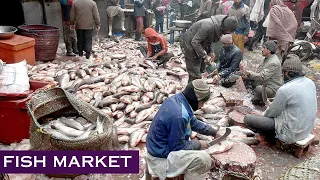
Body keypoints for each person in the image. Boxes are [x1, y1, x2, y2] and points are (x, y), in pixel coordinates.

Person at [146, 79, 217, 180]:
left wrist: (213, 132)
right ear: (194, 99)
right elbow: (176, 146)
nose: (203, 106)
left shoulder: (179, 100)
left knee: (191, 143)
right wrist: (199, 144)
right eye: (202, 102)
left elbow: (194, 123)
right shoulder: (179, 115)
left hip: (159, 148)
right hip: (160, 159)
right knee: (204, 159)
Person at [244, 54, 317, 144]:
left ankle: (270, 136)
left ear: (287, 73)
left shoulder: (286, 89)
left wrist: (262, 116)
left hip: (290, 133)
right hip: (306, 130)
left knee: (248, 119)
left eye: (283, 73)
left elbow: (271, 113)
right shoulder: (310, 82)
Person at [180, 15, 238, 82]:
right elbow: (195, 42)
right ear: (224, 28)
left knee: (202, 69)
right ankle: (191, 89)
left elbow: (209, 39)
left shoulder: (218, 26)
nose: (228, 34)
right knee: (195, 72)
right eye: (228, 32)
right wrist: (205, 56)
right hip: (189, 44)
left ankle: (197, 83)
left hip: (199, 44)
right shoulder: (207, 26)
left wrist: (211, 51)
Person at [242, 40, 282, 106]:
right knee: (247, 79)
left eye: (264, 48)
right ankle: (253, 95)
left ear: (269, 50)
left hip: (271, 88)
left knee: (259, 89)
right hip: (265, 82)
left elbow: (263, 76)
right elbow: (259, 73)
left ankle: (258, 103)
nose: (262, 49)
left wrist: (249, 73)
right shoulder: (267, 58)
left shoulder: (273, 62)